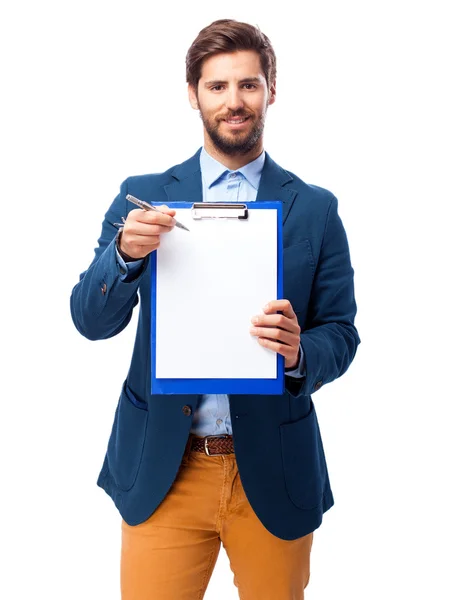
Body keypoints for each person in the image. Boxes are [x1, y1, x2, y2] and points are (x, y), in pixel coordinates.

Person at [70, 18, 360, 600]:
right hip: (163, 471)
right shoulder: (146, 195)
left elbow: (343, 332)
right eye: (218, 86)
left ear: (271, 90)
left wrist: (301, 351)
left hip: (273, 471)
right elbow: (90, 319)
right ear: (193, 95)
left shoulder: (314, 209)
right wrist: (125, 254)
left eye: (248, 85)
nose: (234, 102)